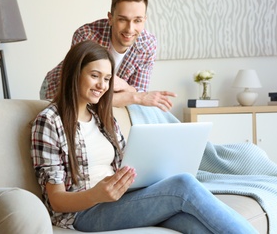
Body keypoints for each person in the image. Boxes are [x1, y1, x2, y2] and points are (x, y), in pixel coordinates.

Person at [31, 40, 257, 233]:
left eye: (107, 79)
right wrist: (97, 194)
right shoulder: (49, 121)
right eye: (94, 76)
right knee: (184, 184)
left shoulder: (101, 116)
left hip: (120, 199)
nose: (102, 85)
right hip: (83, 213)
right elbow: (57, 200)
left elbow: (125, 163)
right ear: (74, 74)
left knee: (190, 223)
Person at [40, 0, 177, 112]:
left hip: (103, 96)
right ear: (110, 18)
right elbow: (82, 94)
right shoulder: (86, 35)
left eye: (137, 20)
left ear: (144, 20)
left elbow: (138, 92)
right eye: (123, 19)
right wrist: (134, 95)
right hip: (58, 90)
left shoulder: (147, 44)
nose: (130, 29)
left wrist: (126, 87)